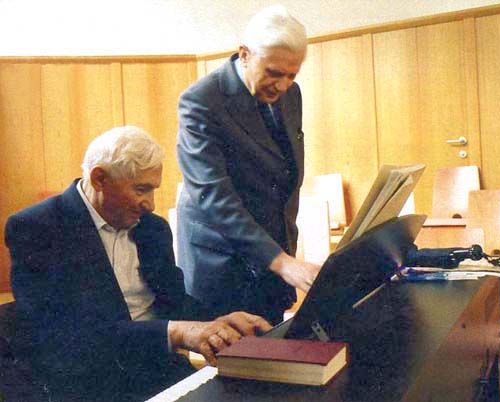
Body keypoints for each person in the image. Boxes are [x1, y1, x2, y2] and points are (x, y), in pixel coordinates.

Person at [4, 126, 271, 402]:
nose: (151, 205)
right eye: (141, 190)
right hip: (86, 385)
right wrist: (177, 332)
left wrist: (218, 320)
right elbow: (67, 336)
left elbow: (175, 303)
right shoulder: (36, 228)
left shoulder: (152, 229)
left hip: (155, 372)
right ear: (100, 179)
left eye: (153, 190)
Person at [176, 5, 321, 325]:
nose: (283, 84)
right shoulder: (200, 101)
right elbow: (214, 198)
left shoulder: (290, 93)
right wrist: (282, 262)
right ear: (244, 54)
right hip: (222, 265)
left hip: (272, 255)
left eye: (291, 74)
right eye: (273, 73)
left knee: (271, 355)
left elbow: (283, 173)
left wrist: (282, 257)